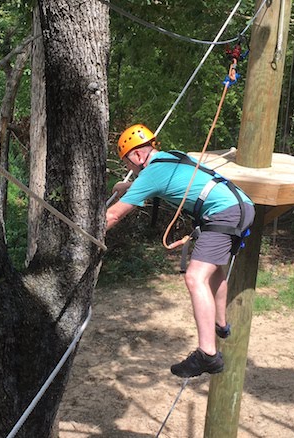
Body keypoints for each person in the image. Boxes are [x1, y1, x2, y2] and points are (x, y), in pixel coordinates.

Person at [106, 124, 255, 378]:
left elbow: (112, 216)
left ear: (137, 156)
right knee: (214, 271)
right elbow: (165, 182)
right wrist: (127, 187)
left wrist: (82, 234)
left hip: (222, 213)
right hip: (241, 206)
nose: (129, 170)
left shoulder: (151, 173)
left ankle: (208, 355)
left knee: (195, 277)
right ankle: (221, 325)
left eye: (128, 164)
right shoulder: (172, 157)